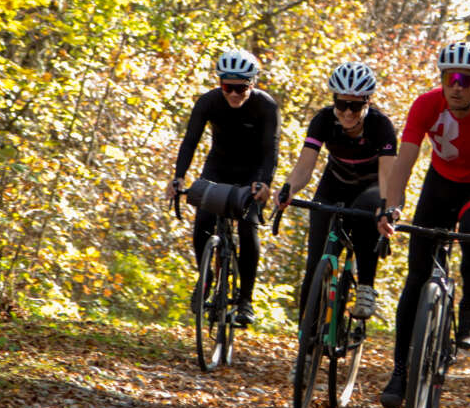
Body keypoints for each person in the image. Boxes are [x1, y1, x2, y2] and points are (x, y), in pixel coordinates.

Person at [376, 40, 470, 408]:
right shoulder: (425, 105)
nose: (457, 85)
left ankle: (469, 306)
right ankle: (400, 371)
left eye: (466, 80)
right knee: (416, 275)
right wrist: (392, 208)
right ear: (441, 80)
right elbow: (404, 163)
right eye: (450, 78)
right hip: (439, 184)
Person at [276, 61, 398, 322]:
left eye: (355, 106)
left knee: (368, 210)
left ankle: (365, 284)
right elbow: (304, 167)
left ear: (367, 102)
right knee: (315, 262)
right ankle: (306, 340)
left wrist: (387, 208)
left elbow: (389, 176)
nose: (348, 113)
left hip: (372, 185)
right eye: (341, 104)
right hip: (334, 183)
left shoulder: (381, 126)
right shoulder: (323, 120)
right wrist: (288, 190)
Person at [166, 48, 280, 327]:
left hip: (252, 172)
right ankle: (205, 279)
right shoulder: (208, 102)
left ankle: (246, 301)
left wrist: (264, 183)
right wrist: (178, 177)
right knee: (203, 220)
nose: (233, 95)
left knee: (247, 225)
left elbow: (270, 150)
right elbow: (190, 141)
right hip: (218, 168)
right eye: (227, 87)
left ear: (252, 84)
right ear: (220, 84)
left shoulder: (266, 106)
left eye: (240, 88)